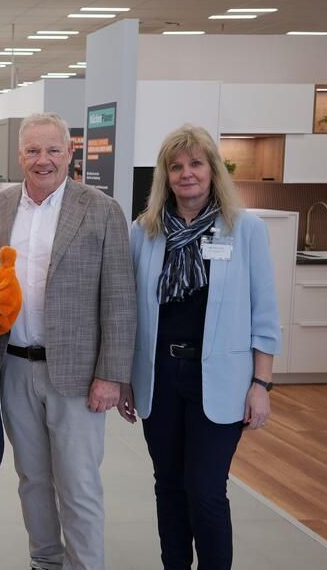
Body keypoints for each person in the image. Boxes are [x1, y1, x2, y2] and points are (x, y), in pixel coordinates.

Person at [0, 112, 135, 570]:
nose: (42, 160)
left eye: (52, 150)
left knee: (78, 484)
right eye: (32, 150)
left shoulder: (101, 210)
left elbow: (121, 300)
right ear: (19, 155)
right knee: (32, 480)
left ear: (70, 154)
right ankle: (44, 561)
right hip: (15, 367)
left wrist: (111, 375)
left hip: (80, 376)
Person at [119, 124, 278, 570]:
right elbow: (131, 311)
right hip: (160, 379)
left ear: (212, 170)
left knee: (206, 490)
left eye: (195, 164)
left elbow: (264, 314)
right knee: (168, 486)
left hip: (222, 382)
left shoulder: (245, 230)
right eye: (176, 166)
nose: (186, 174)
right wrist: (127, 377)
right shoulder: (145, 232)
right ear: (164, 176)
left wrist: (261, 383)